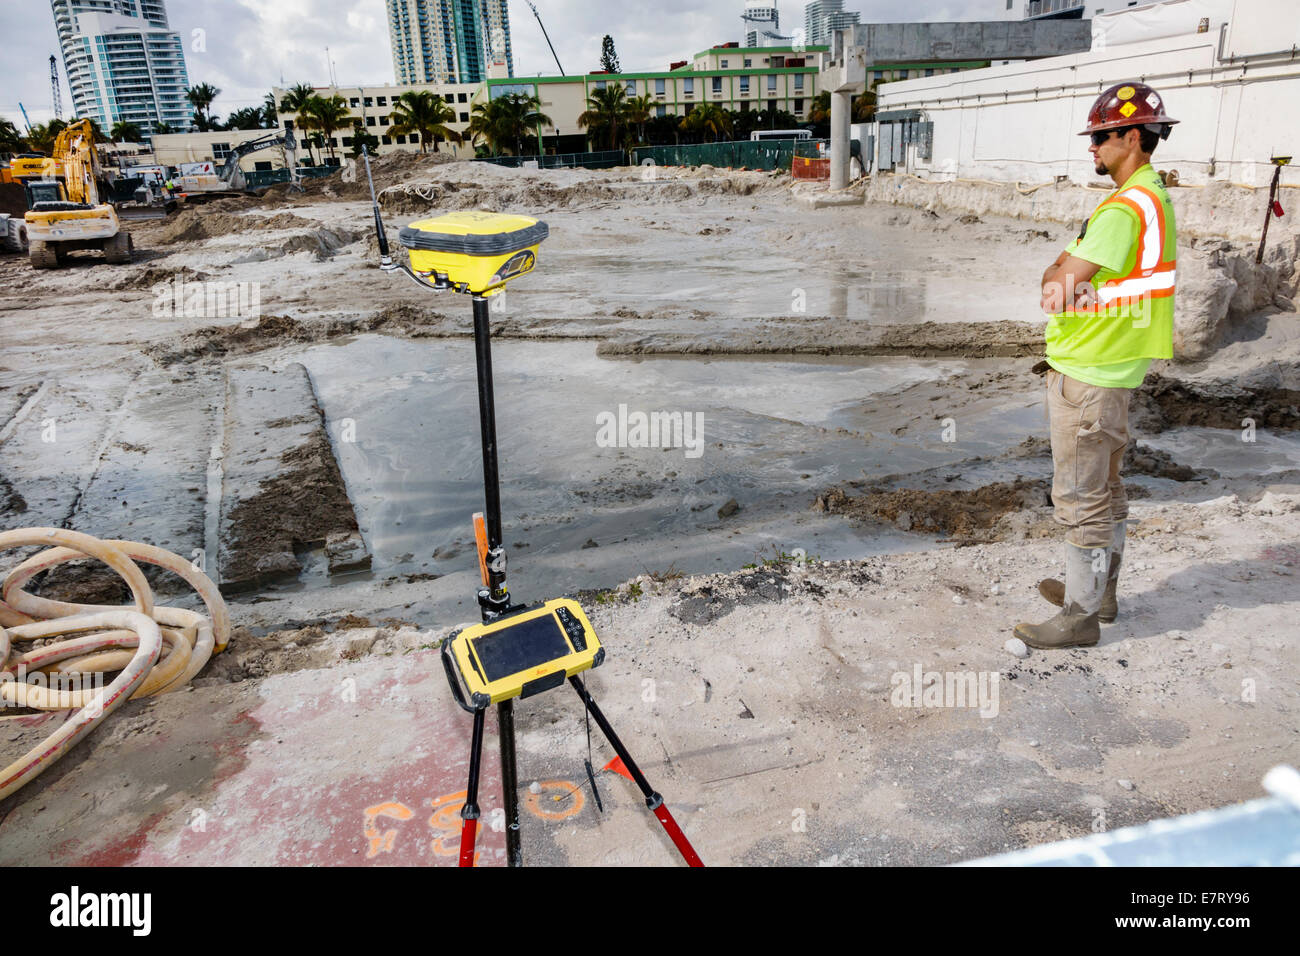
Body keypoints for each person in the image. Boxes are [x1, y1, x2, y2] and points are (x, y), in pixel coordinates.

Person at [1014, 82, 1179, 650]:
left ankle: (1080, 617)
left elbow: (1056, 288)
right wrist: (1066, 274)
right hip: (1116, 368)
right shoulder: (1152, 198)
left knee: (1081, 496)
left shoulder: (1121, 209)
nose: (1093, 148)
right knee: (1106, 488)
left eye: (1101, 137)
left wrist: (1057, 270)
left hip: (1087, 372)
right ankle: (1100, 593)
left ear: (1132, 137)